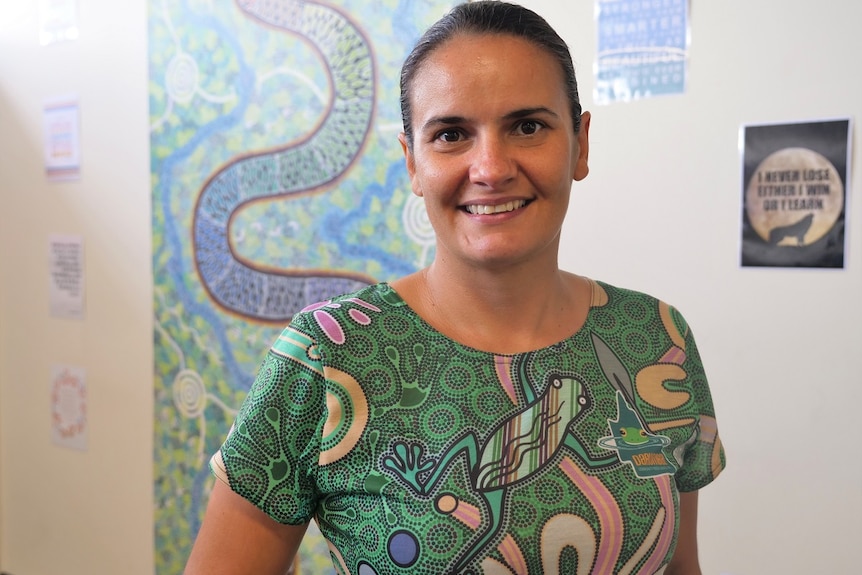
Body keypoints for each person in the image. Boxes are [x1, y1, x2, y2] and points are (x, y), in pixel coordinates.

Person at [184, 2, 726, 574]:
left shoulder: (655, 338)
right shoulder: (328, 355)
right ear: (413, 162)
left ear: (580, 143)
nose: (490, 167)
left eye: (527, 126)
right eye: (450, 134)